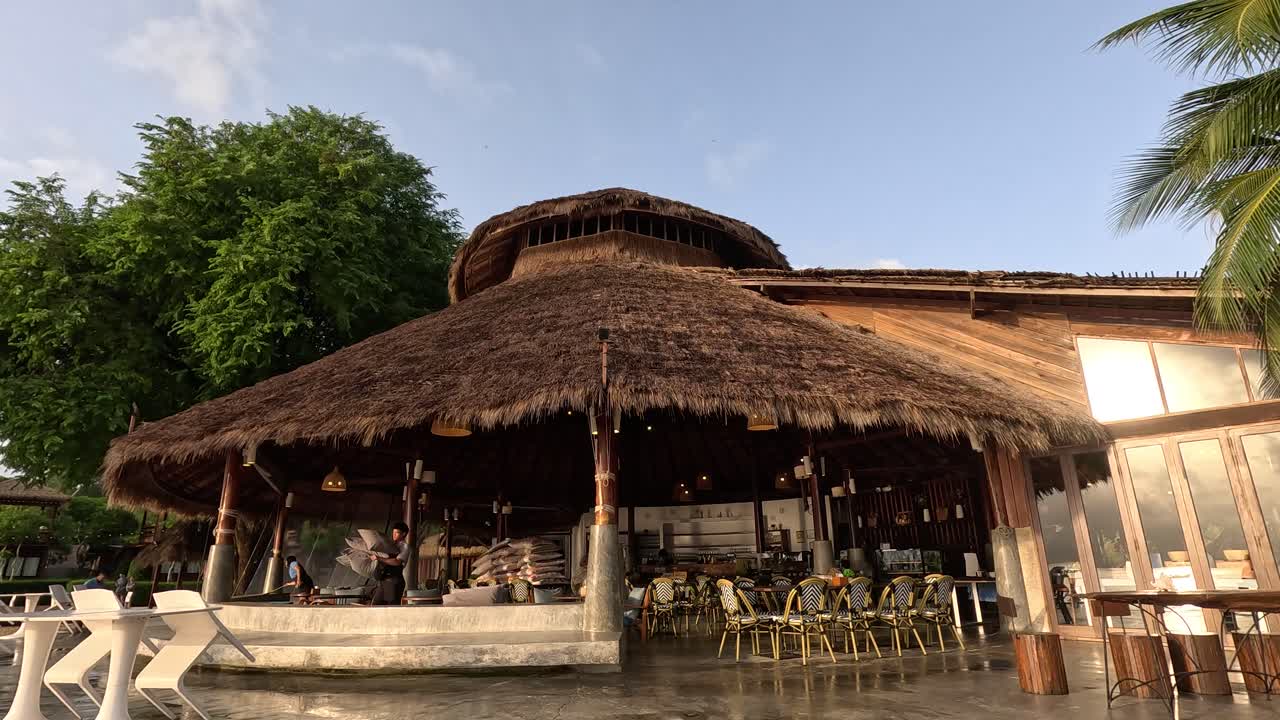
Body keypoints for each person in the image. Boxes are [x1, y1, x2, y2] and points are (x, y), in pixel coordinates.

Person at [368, 522, 410, 605]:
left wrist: (379, 558)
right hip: (383, 581)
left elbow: (397, 562)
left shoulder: (404, 547)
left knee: (391, 609)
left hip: (393, 581)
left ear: (403, 534)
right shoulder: (389, 544)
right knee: (375, 605)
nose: (394, 535)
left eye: (397, 533)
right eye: (393, 532)